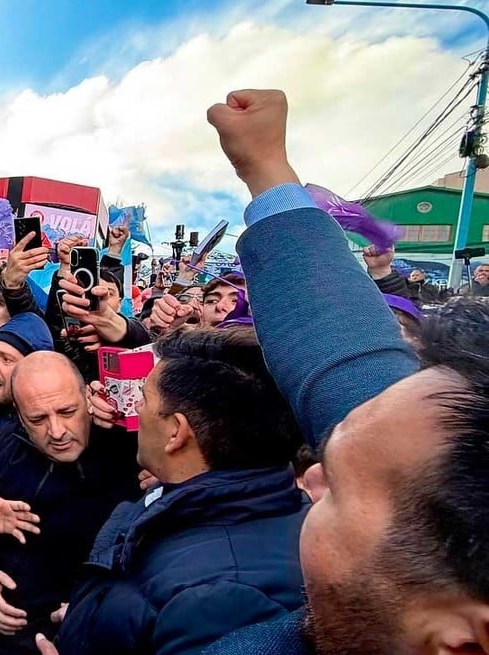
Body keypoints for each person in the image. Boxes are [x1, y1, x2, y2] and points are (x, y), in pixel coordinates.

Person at [192, 89, 489, 655]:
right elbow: (350, 369)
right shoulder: (416, 453)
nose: (310, 475)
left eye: (339, 489)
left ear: (464, 643)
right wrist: (266, 171)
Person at [57, 327, 308, 655]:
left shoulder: (219, 601)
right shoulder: (210, 498)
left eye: (144, 397)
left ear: (176, 431)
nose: (136, 408)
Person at [0, 352, 140, 654]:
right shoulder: (4, 444)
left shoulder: (131, 445)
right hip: (10, 635)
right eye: (38, 419)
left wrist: (99, 607)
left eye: (67, 411)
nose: (57, 431)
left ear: (87, 397)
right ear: (19, 415)